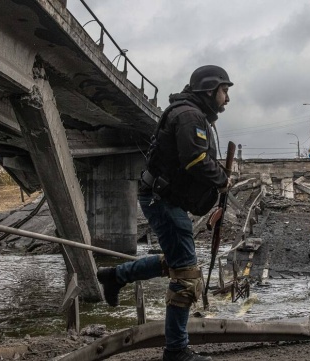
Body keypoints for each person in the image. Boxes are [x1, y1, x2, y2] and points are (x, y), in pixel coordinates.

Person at [97, 65, 233, 361]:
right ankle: (176, 351)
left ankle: (115, 276)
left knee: (174, 262)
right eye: (224, 91)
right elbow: (195, 160)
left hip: (163, 198)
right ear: (209, 90)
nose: (227, 98)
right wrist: (222, 180)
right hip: (162, 199)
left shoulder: (191, 114)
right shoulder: (189, 116)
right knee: (186, 274)